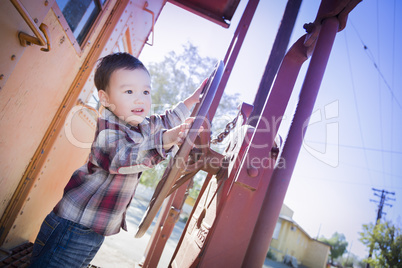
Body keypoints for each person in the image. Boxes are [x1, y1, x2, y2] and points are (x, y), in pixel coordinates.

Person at [29, 52, 206, 267]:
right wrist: (168, 138)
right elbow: (124, 160)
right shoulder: (108, 129)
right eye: (129, 91)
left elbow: (165, 120)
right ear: (105, 98)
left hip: (94, 229)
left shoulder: (139, 124)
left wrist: (191, 100)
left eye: (146, 91)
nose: (140, 98)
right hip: (73, 226)